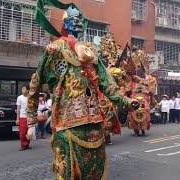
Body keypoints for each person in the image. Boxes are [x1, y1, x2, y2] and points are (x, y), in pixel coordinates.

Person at [26, 3, 138, 179]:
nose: (78, 23)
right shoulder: (55, 49)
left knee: (94, 169)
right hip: (67, 119)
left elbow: (106, 81)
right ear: (66, 23)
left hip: (94, 119)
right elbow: (36, 81)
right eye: (73, 20)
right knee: (69, 170)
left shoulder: (90, 51)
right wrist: (31, 120)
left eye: (80, 20)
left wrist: (125, 101)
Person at [16, 84, 31, 151]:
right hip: (22, 117)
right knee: (22, 133)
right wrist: (17, 118)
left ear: (28, 90)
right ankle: (23, 144)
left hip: (29, 117)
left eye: (24, 89)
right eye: (22, 89)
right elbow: (18, 109)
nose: (22, 90)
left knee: (29, 132)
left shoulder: (30, 97)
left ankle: (27, 144)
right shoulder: (19, 98)